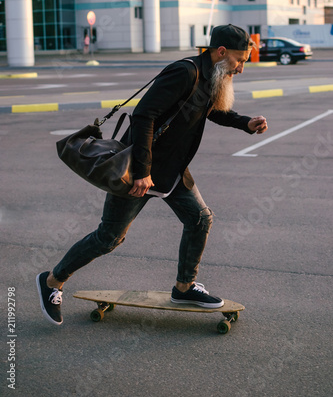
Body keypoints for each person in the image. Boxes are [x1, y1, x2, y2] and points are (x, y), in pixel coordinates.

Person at [36, 24, 268, 325]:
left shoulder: (212, 75)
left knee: (200, 219)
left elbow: (209, 110)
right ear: (221, 52)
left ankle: (184, 287)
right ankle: (52, 281)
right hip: (138, 170)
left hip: (172, 171)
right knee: (108, 238)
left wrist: (245, 123)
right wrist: (142, 173)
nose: (241, 68)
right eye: (240, 60)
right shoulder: (185, 72)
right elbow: (145, 115)